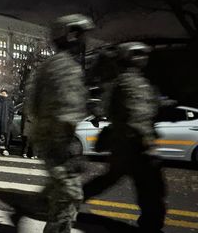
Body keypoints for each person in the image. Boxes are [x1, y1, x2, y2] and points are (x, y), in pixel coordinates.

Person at [83, 42, 166, 232]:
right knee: (151, 191)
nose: (142, 58)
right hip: (135, 145)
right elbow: (137, 114)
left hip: (126, 144)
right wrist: (148, 144)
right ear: (127, 57)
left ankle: (71, 200)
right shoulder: (131, 82)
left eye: (144, 54)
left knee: (109, 180)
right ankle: (151, 226)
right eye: (137, 54)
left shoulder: (133, 81)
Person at [24, 14, 94, 232]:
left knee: (62, 193)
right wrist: (69, 151)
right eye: (81, 34)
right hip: (58, 143)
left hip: (49, 139)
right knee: (68, 197)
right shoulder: (66, 67)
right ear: (71, 35)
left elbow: (32, 105)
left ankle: (45, 199)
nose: (85, 40)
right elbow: (66, 113)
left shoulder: (49, 65)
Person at [0, 89, 14, 156]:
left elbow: (12, 112)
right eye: (2, 93)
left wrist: (10, 120)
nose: (3, 94)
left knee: (7, 136)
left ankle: (6, 149)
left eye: (4, 93)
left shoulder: (9, 101)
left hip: (6, 122)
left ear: (7, 94)